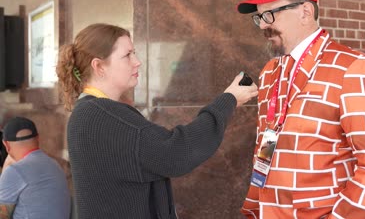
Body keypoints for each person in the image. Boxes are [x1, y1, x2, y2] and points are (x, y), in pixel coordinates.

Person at [237, 0, 365, 219]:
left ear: (305, 11)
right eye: (259, 17)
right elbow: (268, 142)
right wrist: (256, 205)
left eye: (269, 14)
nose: (262, 26)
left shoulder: (352, 67)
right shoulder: (270, 72)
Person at [55, 23, 258, 219]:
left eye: (134, 53)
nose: (137, 61)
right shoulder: (102, 116)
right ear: (99, 66)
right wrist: (228, 100)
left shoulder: (89, 113)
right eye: (127, 55)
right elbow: (176, 153)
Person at [0, 117, 71, 219]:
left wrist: (6, 168)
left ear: (6, 145)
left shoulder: (15, 171)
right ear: (38, 138)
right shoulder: (55, 165)